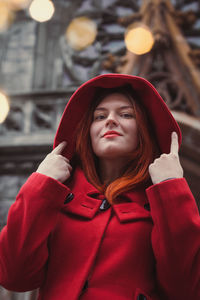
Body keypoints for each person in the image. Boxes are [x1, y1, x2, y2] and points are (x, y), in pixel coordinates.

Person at [0, 73, 199, 300]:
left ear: (144, 130)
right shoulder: (54, 196)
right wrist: (41, 183)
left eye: (126, 114)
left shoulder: (162, 202)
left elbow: (185, 289)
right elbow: (13, 276)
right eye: (99, 116)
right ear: (87, 131)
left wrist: (170, 187)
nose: (110, 120)